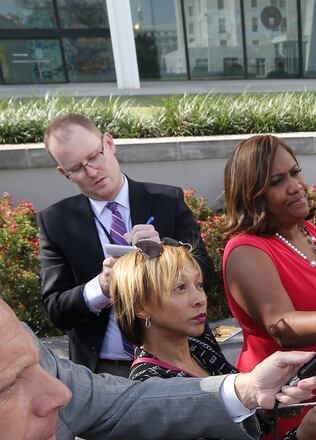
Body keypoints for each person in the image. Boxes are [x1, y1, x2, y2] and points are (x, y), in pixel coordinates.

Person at [110, 240, 316, 440]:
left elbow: (250, 424)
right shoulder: (150, 385)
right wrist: (303, 437)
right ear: (141, 307)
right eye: (180, 288)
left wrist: (273, 407)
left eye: (199, 285)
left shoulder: (198, 346)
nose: (199, 299)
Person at [0, 296, 316, 440]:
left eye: (198, 284)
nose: (61, 394)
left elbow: (115, 405)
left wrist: (248, 390)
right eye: (9, 385)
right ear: (143, 309)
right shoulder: (150, 372)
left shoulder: (202, 349)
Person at [38, 113, 213, 375]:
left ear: (109, 143)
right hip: (106, 371)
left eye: (94, 156)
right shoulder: (56, 222)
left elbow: (207, 273)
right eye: (77, 168)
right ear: (65, 173)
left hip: (180, 359)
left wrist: (166, 252)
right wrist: (100, 287)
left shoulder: (166, 200)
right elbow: (56, 310)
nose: (92, 171)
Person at [223, 134, 316, 438]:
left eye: (295, 172)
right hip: (284, 405)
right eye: (276, 181)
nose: (295, 185)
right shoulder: (246, 250)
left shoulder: (306, 230)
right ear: (251, 194)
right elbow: (280, 325)